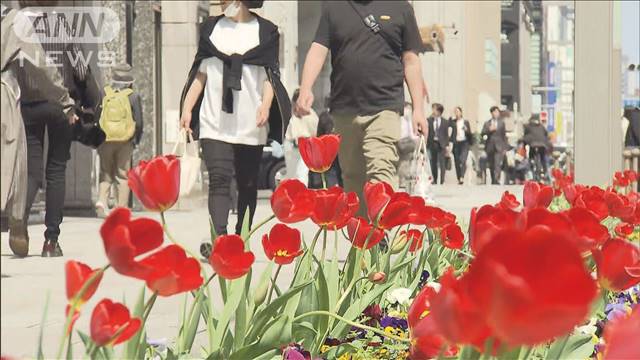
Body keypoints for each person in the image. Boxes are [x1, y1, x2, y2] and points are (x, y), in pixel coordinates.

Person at [179, 0, 290, 257]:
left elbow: (270, 76)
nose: (219, 3)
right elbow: (200, 74)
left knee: (247, 184)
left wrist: (265, 105)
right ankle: (219, 241)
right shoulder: (210, 28)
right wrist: (187, 107)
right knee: (218, 180)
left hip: (250, 124)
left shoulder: (266, 32)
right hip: (213, 122)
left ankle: (242, 239)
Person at [294, 0, 427, 215]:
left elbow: (411, 60)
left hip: (385, 106)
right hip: (344, 109)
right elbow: (318, 50)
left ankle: (380, 236)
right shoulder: (334, 7)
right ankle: (362, 238)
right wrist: (306, 87)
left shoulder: (401, 7)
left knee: (381, 171)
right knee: (353, 179)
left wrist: (419, 109)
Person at [2, 3, 77, 257]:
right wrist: (78, 102)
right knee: (56, 169)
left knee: (31, 170)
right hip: (58, 104)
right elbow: (77, 65)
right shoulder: (60, 23)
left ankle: (19, 221)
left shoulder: (16, 21)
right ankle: (51, 241)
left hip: (29, 104)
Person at [95, 64, 143, 217]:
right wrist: (135, 140)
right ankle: (121, 208)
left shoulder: (105, 93)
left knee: (105, 172)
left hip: (105, 138)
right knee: (122, 175)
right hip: (125, 140)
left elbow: (97, 115)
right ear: (129, 81)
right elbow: (139, 121)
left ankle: (102, 201)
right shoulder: (133, 96)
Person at [284, 88, 318, 186]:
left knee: (301, 173)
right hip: (291, 144)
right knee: (293, 173)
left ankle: (301, 195)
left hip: (304, 145)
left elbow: (314, 130)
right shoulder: (292, 113)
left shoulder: (310, 114)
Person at [481, 106, 508, 185]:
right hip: (490, 146)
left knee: (497, 163)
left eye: (497, 112)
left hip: (499, 146)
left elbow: (504, 136)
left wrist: (505, 147)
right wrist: (489, 130)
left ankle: (497, 179)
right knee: (491, 164)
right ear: (491, 113)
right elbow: (482, 133)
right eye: (494, 112)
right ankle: (493, 179)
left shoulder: (501, 123)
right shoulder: (487, 123)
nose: (496, 113)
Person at [523, 115, 551, 181]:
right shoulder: (541, 126)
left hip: (533, 144)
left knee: (531, 156)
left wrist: (524, 145)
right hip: (542, 145)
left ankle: (532, 164)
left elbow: (525, 137)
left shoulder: (528, 126)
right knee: (543, 158)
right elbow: (546, 135)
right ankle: (545, 171)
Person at [427, 103, 450, 184]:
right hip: (433, 143)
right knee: (433, 162)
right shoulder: (429, 120)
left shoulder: (445, 122)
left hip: (442, 144)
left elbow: (446, 135)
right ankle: (435, 179)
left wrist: (447, 146)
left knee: (442, 162)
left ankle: (442, 180)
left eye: (435, 109)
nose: (433, 111)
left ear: (439, 111)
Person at [449, 106, 472, 185]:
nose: (457, 113)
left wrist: (466, 130)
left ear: (461, 113)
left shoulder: (466, 122)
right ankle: (459, 177)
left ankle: (462, 177)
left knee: (463, 160)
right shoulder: (453, 122)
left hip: (464, 143)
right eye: (455, 112)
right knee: (457, 161)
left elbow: (470, 134)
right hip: (456, 143)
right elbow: (449, 127)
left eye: (458, 111)